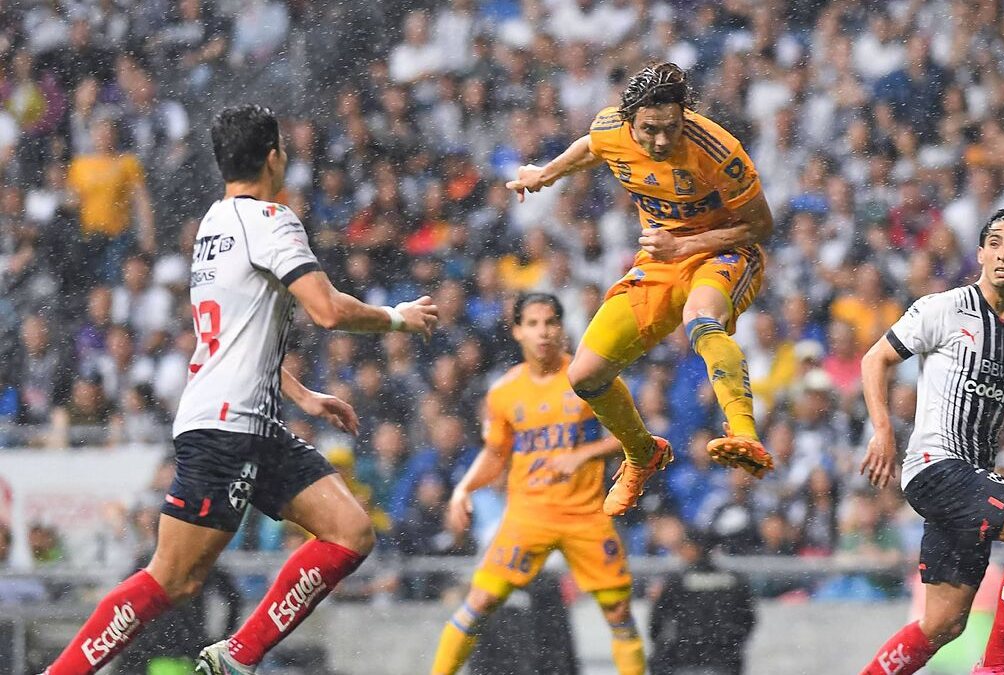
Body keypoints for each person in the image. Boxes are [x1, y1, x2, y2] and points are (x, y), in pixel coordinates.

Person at [39, 105, 439, 675]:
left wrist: (300, 395)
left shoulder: (213, 224)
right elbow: (326, 310)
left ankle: (235, 657)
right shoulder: (272, 220)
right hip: (227, 430)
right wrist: (396, 318)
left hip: (251, 422)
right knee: (172, 579)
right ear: (274, 156)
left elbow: (233, 335)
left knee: (349, 532)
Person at [505, 62, 776, 516]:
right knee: (584, 375)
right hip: (659, 262)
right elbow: (592, 147)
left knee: (700, 316)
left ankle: (744, 432)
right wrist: (546, 175)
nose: (662, 141)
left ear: (684, 117)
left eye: (672, 128)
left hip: (722, 254)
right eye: (650, 130)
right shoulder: (611, 128)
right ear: (630, 119)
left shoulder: (718, 150)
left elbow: (759, 226)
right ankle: (642, 452)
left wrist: (684, 244)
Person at [857, 209, 1004, 675]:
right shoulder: (944, 307)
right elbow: (875, 360)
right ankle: (994, 667)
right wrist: (882, 430)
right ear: (980, 253)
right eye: (995, 242)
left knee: (943, 624)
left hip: (968, 484)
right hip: (936, 467)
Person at [432, 293, 645, 674]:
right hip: (528, 514)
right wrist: (463, 489)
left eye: (550, 322)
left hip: (585, 514)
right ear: (517, 331)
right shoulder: (503, 392)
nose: (542, 332)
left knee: (618, 610)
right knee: (479, 601)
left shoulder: (590, 376)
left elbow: (632, 435)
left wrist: (584, 454)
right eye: (532, 324)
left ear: (562, 328)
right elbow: (495, 454)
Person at [649, 529, 756, 675]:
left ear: (696, 547)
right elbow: (748, 621)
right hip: (726, 661)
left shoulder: (676, 582)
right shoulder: (735, 580)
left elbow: (657, 623)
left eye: (684, 544)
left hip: (683, 661)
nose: (680, 550)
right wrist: (730, 646)